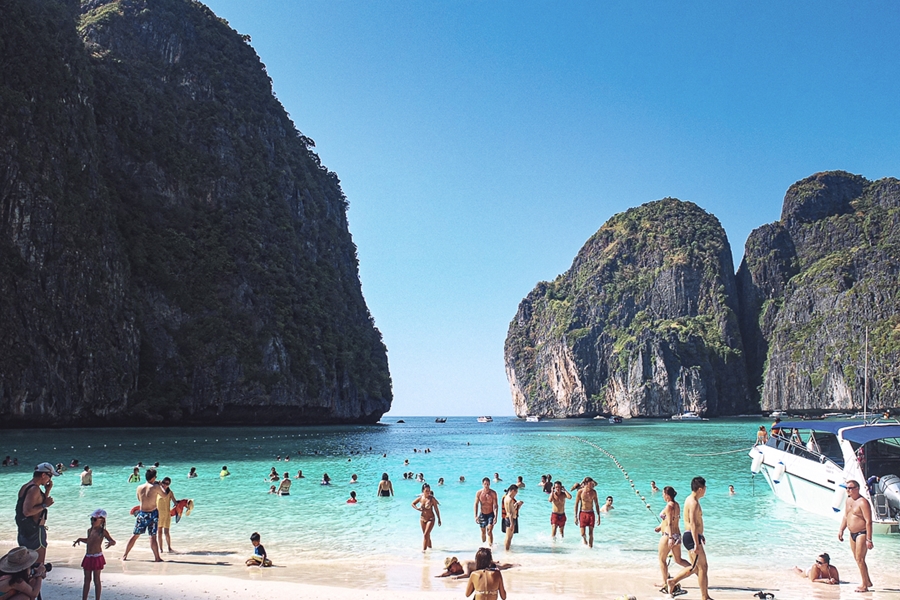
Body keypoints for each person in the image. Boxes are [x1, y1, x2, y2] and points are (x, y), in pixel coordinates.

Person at [667, 476, 710, 600]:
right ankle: (704, 597)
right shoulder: (693, 502)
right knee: (703, 567)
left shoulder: (691, 499)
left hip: (693, 536)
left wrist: (701, 536)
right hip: (692, 537)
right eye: (705, 487)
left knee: (696, 567)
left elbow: (696, 522)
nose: (706, 490)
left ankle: (673, 581)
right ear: (701, 489)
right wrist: (696, 543)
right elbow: (692, 523)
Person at [16, 462, 59, 568]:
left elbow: (35, 502)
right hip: (35, 532)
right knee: (38, 567)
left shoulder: (25, 487)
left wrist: (47, 491)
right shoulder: (34, 489)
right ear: (43, 475)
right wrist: (45, 505)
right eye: (50, 476)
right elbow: (27, 511)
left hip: (25, 531)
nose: (50, 479)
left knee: (27, 567)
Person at [122, 468, 165, 562]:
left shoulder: (139, 487)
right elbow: (164, 495)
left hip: (142, 514)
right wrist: (161, 485)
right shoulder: (156, 487)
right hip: (153, 513)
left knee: (135, 535)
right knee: (152, 536)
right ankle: (157, 558)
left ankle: (124, 555)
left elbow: (139, 499)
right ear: (153, 478)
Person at [838, 479, 874, 592]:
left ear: (857, 489)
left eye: (850, 488)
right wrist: (841, 529)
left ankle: (864, 585)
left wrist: (869, 539)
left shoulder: (863, 502)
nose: (848, 490)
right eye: (846, 488)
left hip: (861, 533)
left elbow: (869, 521)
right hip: (851, 533)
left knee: (860, 559)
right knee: (857, 559)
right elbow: (845, 516)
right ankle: (867, 580)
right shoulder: (848, 500)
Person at [73, 509, 116, 600]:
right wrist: (80, 539)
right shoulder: (89, 530)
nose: (92, 521)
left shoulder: (102, 532)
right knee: (87, 580)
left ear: (102, 520)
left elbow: (113, 541)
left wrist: (110, 543)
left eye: (95, 519)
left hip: (97, 557)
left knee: (96, 580)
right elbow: (89, 541)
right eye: (91, 519)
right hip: (88, 556)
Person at [654, 486, 691, 593]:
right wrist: (660, 526)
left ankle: (665, 582)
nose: (662, 495)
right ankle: (695, 569)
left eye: (663, 494)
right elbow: (672, 520)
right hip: (677, 535)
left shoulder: (669, 506)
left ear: (667, 495)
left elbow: (670, 523)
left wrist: (670, 538)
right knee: (678, 560)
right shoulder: (677, 505)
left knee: (662, 560)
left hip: (668, 536)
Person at [412, 484, 441, 551]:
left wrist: (439, 519)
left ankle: (424, 552)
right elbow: (413, 503)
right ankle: (430, 550)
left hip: (431, 519)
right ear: (423, 491)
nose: (428, 492)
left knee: (425, 535)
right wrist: (417, 509)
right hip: (422, 519)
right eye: (426, 491)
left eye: (429, 490)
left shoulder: (432, 499)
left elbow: (436, 509)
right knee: (427, 535)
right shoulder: (421, 498)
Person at [155, 477, 178, 553]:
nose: (165, 485)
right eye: (164, 483)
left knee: (166, 532)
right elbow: (150, 482)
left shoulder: (170, 492)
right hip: (158, 515)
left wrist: (184, 504)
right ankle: (161, 549)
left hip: (167, 515)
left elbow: (175, 502)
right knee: (159, 532)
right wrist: (159, 483)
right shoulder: (157, 491)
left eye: (167, 484)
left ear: (169, 484)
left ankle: (169, 548)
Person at [574, 478, 598, 547]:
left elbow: (596, 503)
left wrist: (598, 516)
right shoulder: (580, 491)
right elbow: (576, 504)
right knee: (582, 534)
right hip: (583, 513)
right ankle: (584, 540)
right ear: (586, 484)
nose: (592, 485)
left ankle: (590, 548)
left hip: (591, 512)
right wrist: (575, 516)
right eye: (590, 483)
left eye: (592, 483)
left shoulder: (593, 492)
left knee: (591, 533)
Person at [474, 477, 499, 545]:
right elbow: (476, 504)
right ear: (482, 484)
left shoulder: (493, 493)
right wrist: (475, 516)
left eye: (488, 484)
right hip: (482, 514)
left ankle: (491, 547)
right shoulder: (479, 493)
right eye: (485, 484)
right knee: (483, 532)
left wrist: (495, 517)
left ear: (490, 484)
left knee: (489, 531)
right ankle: (483, 545)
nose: (486, 486)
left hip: (491, 514)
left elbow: (496, 506)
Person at [501, 485, 522, 551]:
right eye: (516, 492)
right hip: (510, 519)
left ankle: (507, 550)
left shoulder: (507, 498)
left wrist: (517, 505)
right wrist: (512, 523)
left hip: (511, 518)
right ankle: (506, 551)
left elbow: (512, 509)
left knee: (510, 537)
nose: (516, 493)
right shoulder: (509, 499)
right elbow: (509, 512)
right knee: (508, 537)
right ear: (513, 491)